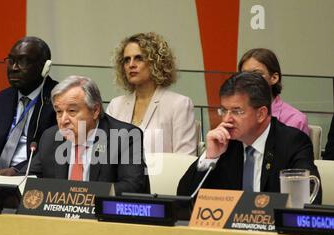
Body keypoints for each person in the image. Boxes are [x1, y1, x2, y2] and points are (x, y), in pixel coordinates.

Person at [177, 72, 321, 204]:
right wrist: (210, 157)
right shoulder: (224, 143)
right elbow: (184, 199)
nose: (227, 119)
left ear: (261, 114)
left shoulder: (293, 142)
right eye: (224, 110)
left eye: (236, 111)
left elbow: (310, 198)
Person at [26, 75, 150, 195]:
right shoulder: (50, 137)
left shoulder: (124, 137)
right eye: (59, 112)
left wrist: (84, 196)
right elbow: (27, 178)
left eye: (72, 111)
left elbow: (132, 186)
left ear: (95, 110)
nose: (63, 120)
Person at [0, 36, 58, 176]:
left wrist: (16, 171)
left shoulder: (59, 102)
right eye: (11, 61)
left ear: (44, 67)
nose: (14, 68)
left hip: (31, 178)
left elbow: (52, 154)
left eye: (23, 61)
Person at [106, 32, 197, 154]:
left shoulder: (179, 105)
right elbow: (105, 155)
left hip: (162, 173)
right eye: (127, 60)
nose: (131, 65)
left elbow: (185, 161)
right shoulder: (115, 106)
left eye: (139, 58)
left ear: (156, 63)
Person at [238, 48, 309, 135]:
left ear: (274, 78)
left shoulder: (295, 120)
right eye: (244, 75)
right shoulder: (235, 115)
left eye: (256, 74)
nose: (248, 80)